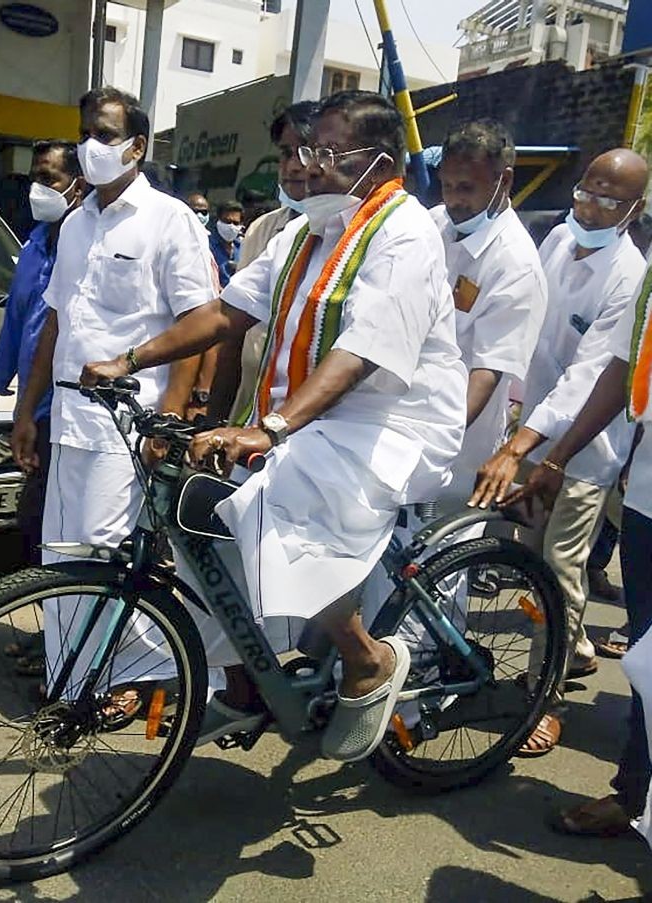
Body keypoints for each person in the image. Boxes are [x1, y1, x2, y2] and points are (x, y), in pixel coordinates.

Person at [80, 90, 468, 762]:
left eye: (325, 153)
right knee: (195, 509)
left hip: (394, 424)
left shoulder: (405, 234)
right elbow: (225, 315)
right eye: (305, 151)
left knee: (268, 489)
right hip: (318, 423)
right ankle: (245, 681)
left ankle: (366, 659)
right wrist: (130, 358)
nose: (309, 167)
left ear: (378, 161)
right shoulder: (304, 230)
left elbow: (360, 353)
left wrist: (272, 427)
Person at [10, 87, 216, 697]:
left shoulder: (169, 220)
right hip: (69, 417)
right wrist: (26, 410)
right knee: (63, 558)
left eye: (103, 134)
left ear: (137, 147)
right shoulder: (75, 223)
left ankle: (120, 681)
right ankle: (71, 682)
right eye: (84, 133)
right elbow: (55, 321)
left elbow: (196, 324)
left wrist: (172, 414)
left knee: (107, 559)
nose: (88, 147)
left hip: (128, 424)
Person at [470, 148, 648, 756]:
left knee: (560, 568)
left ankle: (545, 698)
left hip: (583, 449)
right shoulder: (554, 243)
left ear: (635, 209)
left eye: (609, 200)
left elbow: (590, 378)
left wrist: (544, 453)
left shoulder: (628, 276)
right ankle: (566, 650)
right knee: (529, 557)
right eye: (586, 193)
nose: (592, 208)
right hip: (533, 438)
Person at [500, 254, 652, 837]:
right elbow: (617, 366)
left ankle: (553, 692)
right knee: (645, 657)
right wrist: (549, 455)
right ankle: (633, 793)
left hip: (607, 468)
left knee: (563, 568)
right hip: (645, 499)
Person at [0, 139, 84, 563]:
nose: (39, 189)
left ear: (78, 184)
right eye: (36, 178)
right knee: (35, 523)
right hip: (34, 411)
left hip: (71, 413)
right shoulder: (33, 246)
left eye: (48, 178)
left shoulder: (87, 246)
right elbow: (14, 328)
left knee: (54, 523)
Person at [432, 120, 547, 506]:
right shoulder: (434, 226)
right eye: (447, 186)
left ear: (505, 180)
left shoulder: (515, 265)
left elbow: (487, 370)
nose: (454, 200)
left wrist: (436, 438)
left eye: (466, 188)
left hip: (453, 448)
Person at [208, 100, 320, 423]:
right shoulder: (262, 230)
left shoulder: (344, 232)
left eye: (305, 152)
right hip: (249, 408)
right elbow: (232, 330)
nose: (293, 166)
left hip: (305, 419)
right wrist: (214, 419)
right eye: (286, 153)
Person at [209, 200, 244, 287]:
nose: (231, 226)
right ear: (218, 221)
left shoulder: (243, 247)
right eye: (227, 222)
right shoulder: (206, 246)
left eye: (235, 223)